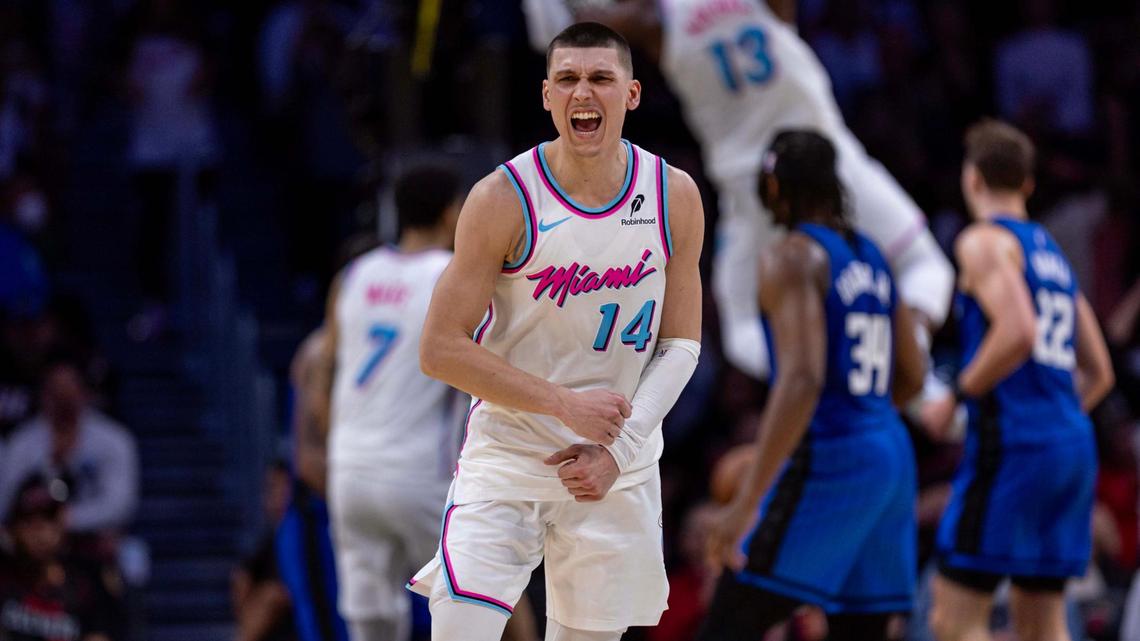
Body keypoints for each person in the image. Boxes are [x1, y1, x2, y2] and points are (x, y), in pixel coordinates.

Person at [407, 22, 703, 641]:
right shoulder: (501, 198)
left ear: (633, 93)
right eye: (567, 80)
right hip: (510, 455)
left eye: (600, 78)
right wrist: (563, 404)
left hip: (614, 468)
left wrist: (615, 453)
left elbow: (680, 347)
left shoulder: (673, 195)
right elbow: (439, 348)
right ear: (546, 95)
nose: (582, 93)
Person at [521, 0, 954, 381]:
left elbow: (568, 32)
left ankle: (818, 376)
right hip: (829, 158)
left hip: (755, 187)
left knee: (741, 329)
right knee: (926, 267)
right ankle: (913, 372)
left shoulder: (653, 18)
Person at [699, 130, 926, 641]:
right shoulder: (874, 256)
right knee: (858, 630)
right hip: (889, 451)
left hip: (832, 456)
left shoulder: (791, 257)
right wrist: (863, 415)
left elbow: (802, 380)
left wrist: (746, 502)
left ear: (774, 188)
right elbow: (911, 377)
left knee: (731, 619)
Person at [923, 120, 1114, 641]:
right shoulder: (1050, 254)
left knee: (953, 620)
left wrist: (955, 398)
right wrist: (1056, 418)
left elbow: (1018, 331)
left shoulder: (984, 241)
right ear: (1028, 184)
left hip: (1014, 449)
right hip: (1071, 445)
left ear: (973, 179)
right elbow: (1100, 371)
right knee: (1044, 625)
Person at [315, 164, 466, 641]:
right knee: (483, 599)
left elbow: (321, 378)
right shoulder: (452, 274)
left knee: (372, 626)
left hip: (351, 468)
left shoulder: (354, 275)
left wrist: (338, 446)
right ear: (450, 212)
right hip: (419, 469)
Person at [0, 356, 138, 547]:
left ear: (84, 392)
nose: (62, 398)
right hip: (34, 538)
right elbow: (9, 500)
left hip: (96, 539)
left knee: (128, 554)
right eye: (55, 391)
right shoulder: (22, 442)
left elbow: (119, 505)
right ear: (43, 395)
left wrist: (68, 519)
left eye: (68, 391)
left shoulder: (114, 439)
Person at [0, 474, 122, 641]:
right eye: (30, 520)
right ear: (14, 528)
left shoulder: (88, 581)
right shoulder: (4, 579)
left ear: (63, 521)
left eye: (49, 518)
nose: (40, 532)